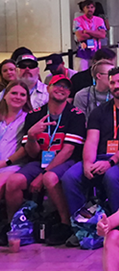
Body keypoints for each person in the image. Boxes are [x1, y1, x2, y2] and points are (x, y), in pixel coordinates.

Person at [62, 67, 119, 218]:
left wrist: (110, 162)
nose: (116, 86)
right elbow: (91, 141)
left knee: (112, 176)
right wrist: (88, 164)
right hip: (100, 157)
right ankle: (81, 223)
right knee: (70, 177)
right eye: (112, 83)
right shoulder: (99, 111)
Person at [6, 75, 85, 245]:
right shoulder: (34, 115)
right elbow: (32, 153)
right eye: (57, 85)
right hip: (39, 160)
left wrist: (43, 174)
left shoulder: (76, 115)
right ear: (48, 88)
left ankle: (65, 224)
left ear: (69, 93)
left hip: (66, 161)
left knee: (49, 178)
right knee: (14, 181)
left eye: (65, 87)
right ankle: (15, 226)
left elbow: (68, 151)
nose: (61, 89)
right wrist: (32, 136)